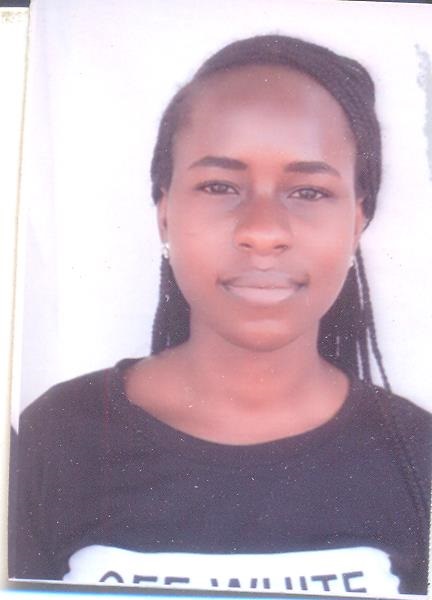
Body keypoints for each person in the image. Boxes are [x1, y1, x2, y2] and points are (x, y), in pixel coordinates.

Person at [10, 34, 431, 596]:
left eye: (309, 192)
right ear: (165, 212)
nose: (263, 231)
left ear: (357, 221)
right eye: (218, 185)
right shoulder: (59, 437)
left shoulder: (418, 457)